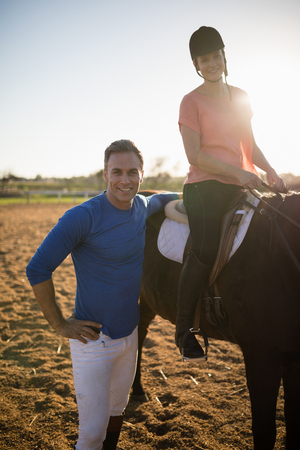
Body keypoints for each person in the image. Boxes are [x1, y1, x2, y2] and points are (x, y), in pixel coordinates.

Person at [26, 139, 180, 450]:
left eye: (132, 172)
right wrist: (59, 324)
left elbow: (165, 198)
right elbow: (37, 269)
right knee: (91, 434)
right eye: (117, 172)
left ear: (142, 175)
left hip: (130, 336)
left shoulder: (142, 207)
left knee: (116, 411)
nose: (125, 180)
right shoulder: (82, 216)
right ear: (106, 175)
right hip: (92, 341)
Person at [175, 26, 286, 361]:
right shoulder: (190, 101)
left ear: (224, 56)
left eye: (216, 56)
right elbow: (195, 155)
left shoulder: (240, 96)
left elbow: (249, 146)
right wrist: (238, 172)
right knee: (206, 250)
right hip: (204, 188)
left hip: (240, 183)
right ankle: (183, 329)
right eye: (204, 59)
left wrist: (268, 169)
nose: (211, 63)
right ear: (196, 63)